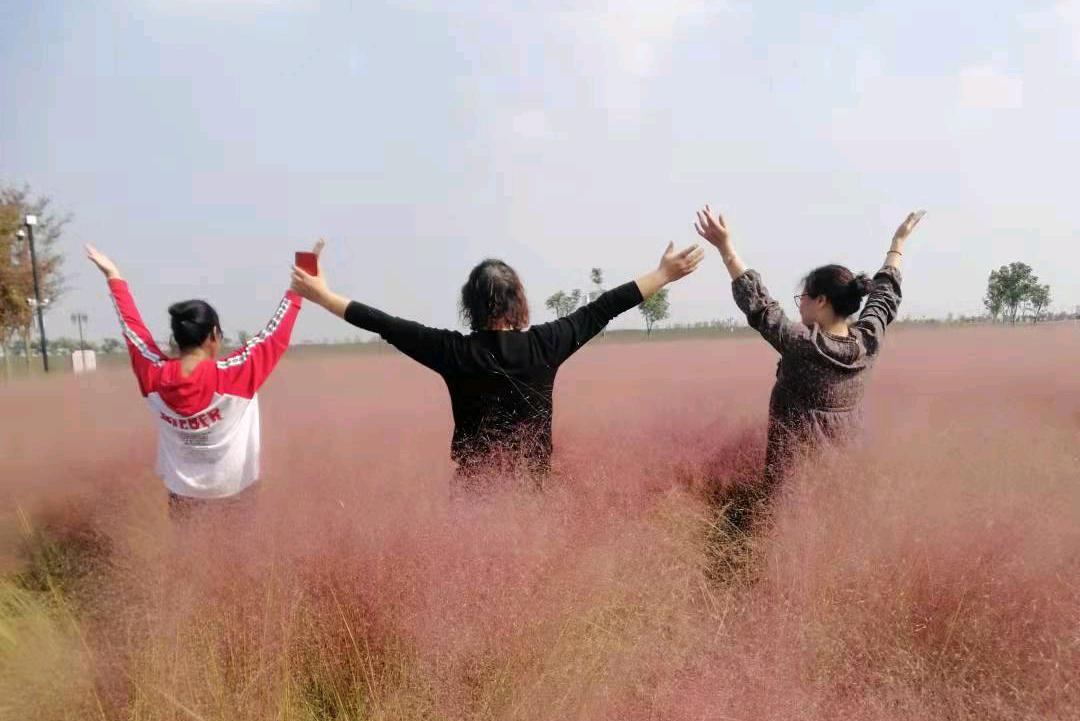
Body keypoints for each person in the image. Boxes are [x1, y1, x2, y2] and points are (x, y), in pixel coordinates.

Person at [287, 242, 704, 480]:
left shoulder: (453, 352)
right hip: (532, 496)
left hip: (474, 495)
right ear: (519, 302)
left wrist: (324, 296)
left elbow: (387, 325)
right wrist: (663, 274)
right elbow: (603, 308)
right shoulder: (547, 344)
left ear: (469, 304)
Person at [694, 206, 925, 488]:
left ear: (821, 301)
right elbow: (885, 297)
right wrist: (898, 244)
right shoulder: (868, 341)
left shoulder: (805, 347)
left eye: (802, 296)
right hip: (848, 481)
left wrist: (726, 248)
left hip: (794, 489)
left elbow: (759, 306)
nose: (799, 303)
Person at [86, 241, 320, 514]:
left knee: (187, 554)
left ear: (176, 339)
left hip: (183, 497)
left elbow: (132, 329)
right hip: (236, 495)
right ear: (213, 336)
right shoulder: (235, 375)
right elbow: (275, 333)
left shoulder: (153, 375)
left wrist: (113, 276)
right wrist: (299, 284)